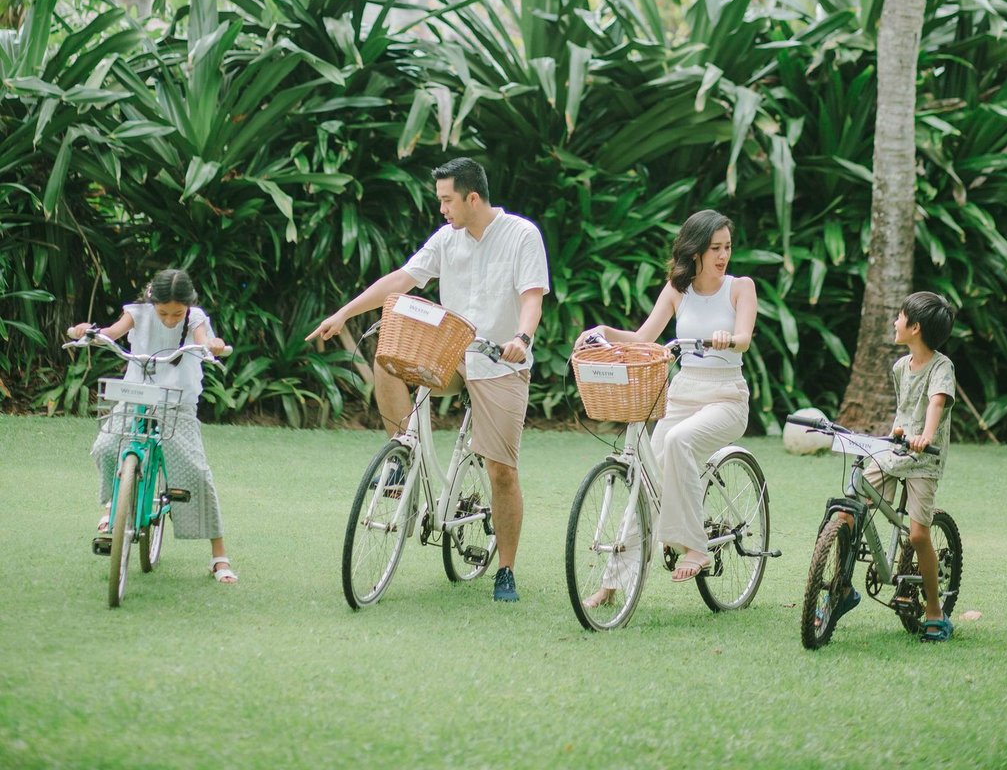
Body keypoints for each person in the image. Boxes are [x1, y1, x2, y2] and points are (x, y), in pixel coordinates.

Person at [307, 157, 548, 603]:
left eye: (446, 200)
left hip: (500, 361)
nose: (441, 209)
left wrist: (522, 336)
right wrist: (342, 314)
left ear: (472, 198)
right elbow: (402, 279)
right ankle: (404, 451)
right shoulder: (446, 239)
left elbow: (531, 297)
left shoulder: (521, 234)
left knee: (501, 472)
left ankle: (506, 570)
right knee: (388, 358)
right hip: (451, 354)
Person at [575, 208, 756, 605]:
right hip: (682, 392)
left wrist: (729, 339)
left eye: (727, 247)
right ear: (695, 251)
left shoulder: (740, 287)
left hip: (726, 396)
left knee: (678, 442)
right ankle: (611, 584)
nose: (723, 255)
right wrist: (603, 332)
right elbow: (643, 337)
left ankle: (696, 547)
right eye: (715, 248)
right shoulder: (678, 290)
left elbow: (744, 336)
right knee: (646, 480)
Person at [69, 267, 238, 583]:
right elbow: (112, 332)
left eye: (178, 313)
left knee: (196, 472)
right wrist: (89, 332)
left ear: (188, 304)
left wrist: (213, 344)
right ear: (151, 300)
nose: (171, 319)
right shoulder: (138, 313)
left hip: (177, 403)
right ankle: (113, 508)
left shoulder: (196, 318)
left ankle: (219, 556)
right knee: (105, 447)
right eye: (164, 312)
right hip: (136, 396)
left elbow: (205, 340)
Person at [839, 291, 957, 641]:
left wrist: (926, 436)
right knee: (851, 507)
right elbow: (904, 409)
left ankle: (935, 610)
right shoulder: (899, 367)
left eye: (899, 317)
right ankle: (840, 587)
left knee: (919, 534)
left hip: (924, 456)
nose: (894, 322)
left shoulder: (941, 367)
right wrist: (898, 431)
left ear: (915, 327)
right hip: (896, 450)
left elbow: (936, 402)